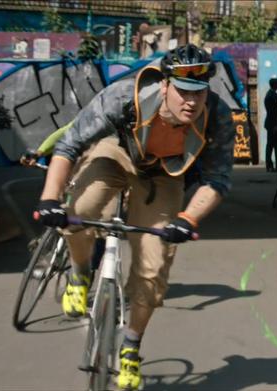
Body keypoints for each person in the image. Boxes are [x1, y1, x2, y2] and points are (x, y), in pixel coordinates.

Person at [33, 44, 235, 390]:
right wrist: (50, 199)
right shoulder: (126, 96)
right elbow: (69, 146)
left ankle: (130, 348)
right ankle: (81, 273)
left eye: (199, 94)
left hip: (164, 176)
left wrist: (187, 219)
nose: (192, 102)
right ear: (166, 85)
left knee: (154, 268)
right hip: (117, 153)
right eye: (184, 92)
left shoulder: (216, 115)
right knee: (80, 211)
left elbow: (218, 180)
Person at [264, 76, 277, 172]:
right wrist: (275, 125)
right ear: (275, 84)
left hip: (272, 124)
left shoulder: (271, 94)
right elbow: (272, 112)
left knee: (272, 145)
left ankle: (275, 165)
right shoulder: (272, 96)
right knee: (273, 145)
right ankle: (274, 165)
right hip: (273, 124)